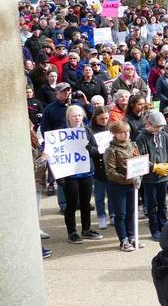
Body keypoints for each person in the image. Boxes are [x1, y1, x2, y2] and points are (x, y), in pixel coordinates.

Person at [47, 105, 102, 243]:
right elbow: (55, 156)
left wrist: (88, 147)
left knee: (85, 203)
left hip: (86, 173)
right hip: (70, 175)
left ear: (83, 116)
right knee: (71, 204)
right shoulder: (61, 134)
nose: (77, 118)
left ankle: (86, 229)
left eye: (79, 115)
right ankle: (72, 232)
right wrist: (59, 177)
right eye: (74, 116)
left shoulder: (87, 131)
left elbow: (96, 151)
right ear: (68, 118)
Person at [136, 110, 168, 241]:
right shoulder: (141, 137)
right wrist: (154, 166)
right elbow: (141, 157)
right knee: (151, 205)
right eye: (157, 127)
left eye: (161, 127)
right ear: (149, 123)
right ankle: (154, 229)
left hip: (164, 177)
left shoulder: (165, 136)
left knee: (163, 204)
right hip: (150, 178)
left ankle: (163, 227)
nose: (159, 129)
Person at [103, 120, 142, 250]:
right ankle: (123, 240)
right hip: (117, 186)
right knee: (121, 214)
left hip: (132, 184)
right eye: (122, 132)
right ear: (115, 134)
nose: (125, 134)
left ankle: (132, 236)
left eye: (127, 132)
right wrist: (129, 179)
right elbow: (111, 172)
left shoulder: (133, 145)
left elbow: (139, 163)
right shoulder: (111, 150)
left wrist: (139, 176)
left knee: (132, 211)